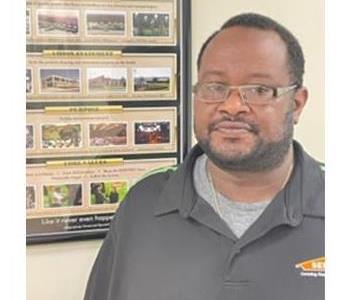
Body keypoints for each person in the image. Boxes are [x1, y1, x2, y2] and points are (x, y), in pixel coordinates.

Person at [84, 13, 324, 300]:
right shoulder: (143, 205)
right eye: (215, 87)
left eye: (259, 90)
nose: (233, 105)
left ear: (296, 104)